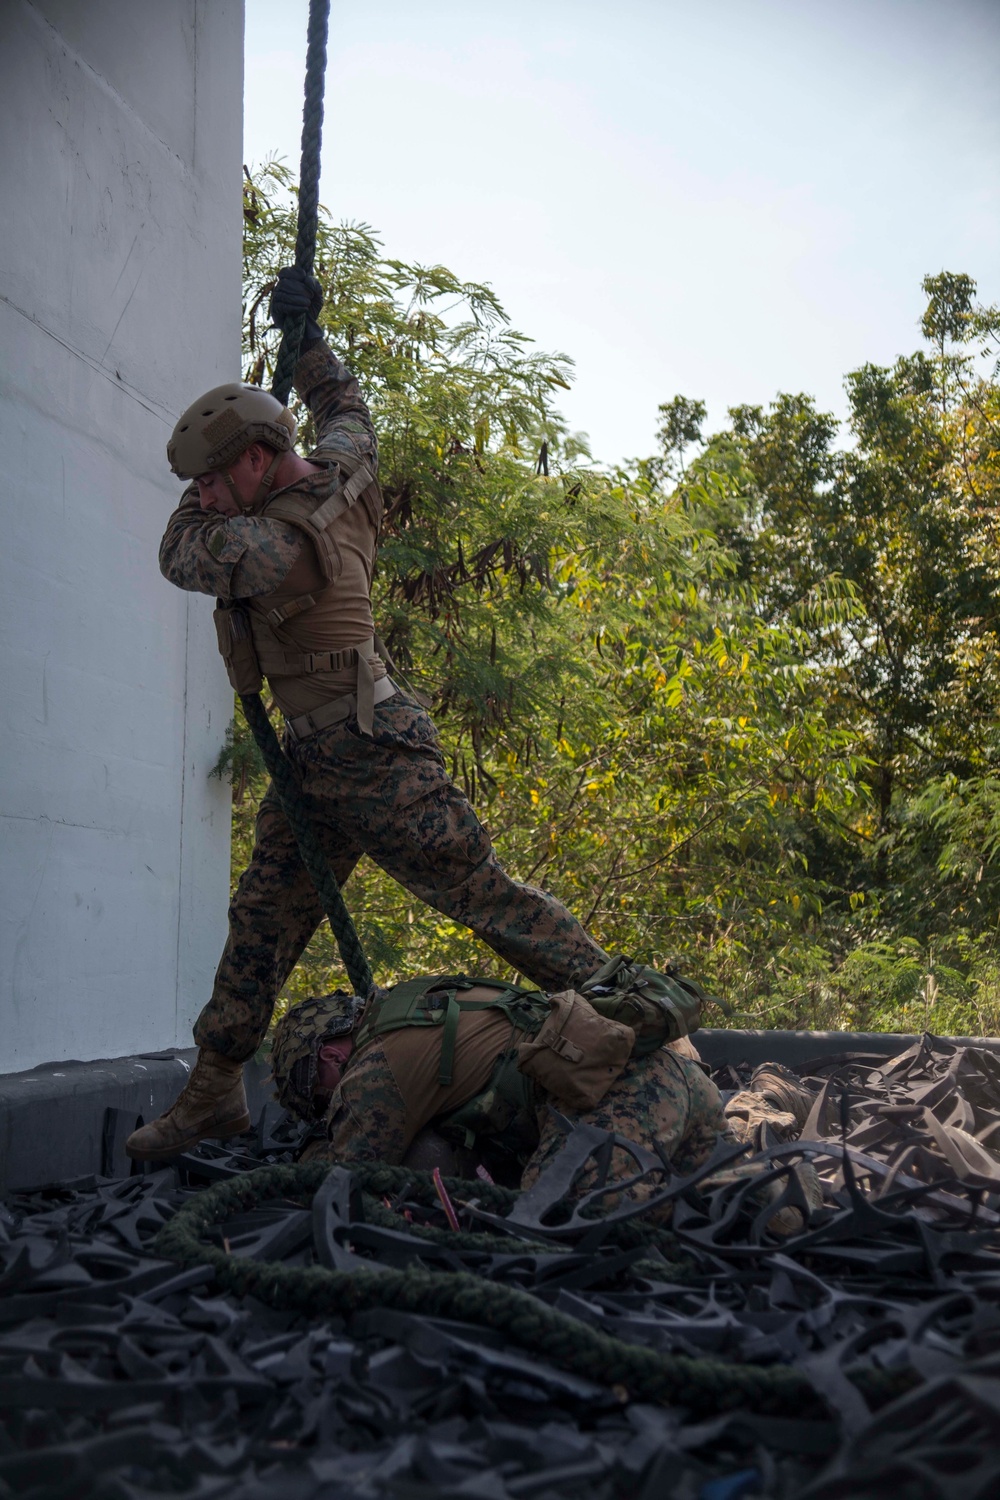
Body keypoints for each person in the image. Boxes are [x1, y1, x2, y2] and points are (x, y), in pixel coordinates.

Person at [128, 269, 695, 1164]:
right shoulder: (344, 470)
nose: (198, 495)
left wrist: (208, 498)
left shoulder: (272, 545)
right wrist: (307, 339)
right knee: (260, 928)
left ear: (253, 462)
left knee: (487, 898)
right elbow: (345, 405)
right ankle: (210, 1098)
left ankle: (650, 1028)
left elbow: (176, 554)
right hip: (317, 764)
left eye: (208, 478)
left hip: (373, 755)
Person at [269, 976, 728, 1204]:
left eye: (316, 1095)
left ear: (327, 1058)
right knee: (732, 1205)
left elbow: (343, 1179)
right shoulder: (422, 1002)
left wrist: (312, 1149)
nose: (327, 1105)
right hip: (674, 1078)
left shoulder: (376, 1068)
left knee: (556, 1225)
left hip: (623, 1102)